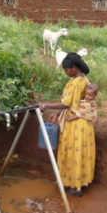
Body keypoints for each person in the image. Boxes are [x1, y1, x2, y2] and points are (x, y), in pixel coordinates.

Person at [39, 52, 95, 197]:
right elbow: (71, 104)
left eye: (67, 70)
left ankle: (76, 188)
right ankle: (72, 183)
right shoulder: (82, 79)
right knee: (75, 153)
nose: (66, 73)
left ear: (74, 67)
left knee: (75, 154)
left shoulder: (78, 83)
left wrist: (46, 106)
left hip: (76, 125)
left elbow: (67, 103)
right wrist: (57, 114)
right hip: (78, 121)